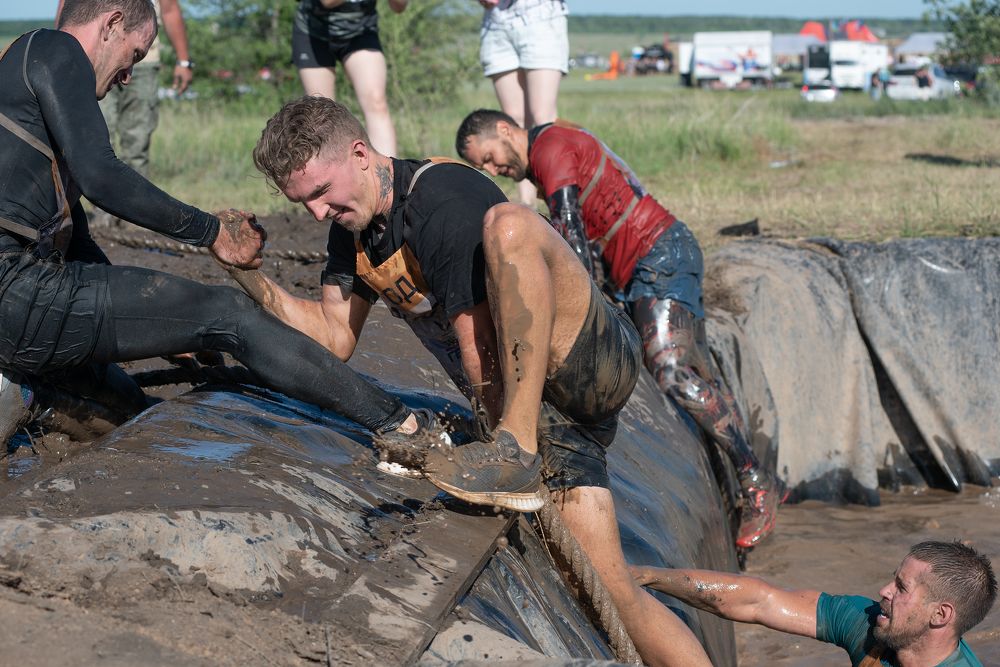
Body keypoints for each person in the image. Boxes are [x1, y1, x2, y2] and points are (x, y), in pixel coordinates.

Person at [234, 94, 714, 667]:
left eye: (320, 193)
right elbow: (334, 337)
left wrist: (496, 446)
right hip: (548, 416)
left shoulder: (441, 201)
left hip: (589, 359)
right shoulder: (353, 231)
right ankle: (517, 444)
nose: (315, 213)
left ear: (360, 154)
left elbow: (478, 346)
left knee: (510, 224)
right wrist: (248, 276)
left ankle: (513, 445)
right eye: (302, 201)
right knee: (614, 595)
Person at [0, 0, 428, 450]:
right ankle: (399, 424)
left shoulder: (27, 79)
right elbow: (103, 178)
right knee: (229, 313)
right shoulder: (55, 48)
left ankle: (23, 393)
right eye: (136, 55)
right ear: (112, 24)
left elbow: (77, 238)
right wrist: (213, 232)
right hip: (17, 290)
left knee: (131, 410)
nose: (128, 76)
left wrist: (155, 324)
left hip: (22, 298)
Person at [454, 109, 784, 549]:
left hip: (659, 258)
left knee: (671, 368)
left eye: (491, 157)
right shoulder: (555, 149)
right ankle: (753, 478)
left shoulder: (551, 150)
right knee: (696, 372)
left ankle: (757, 483)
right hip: (659, 258)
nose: (495, 169)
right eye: (486, 168)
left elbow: (572, 242)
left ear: (504, 130)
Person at [630, 540, 997, 667]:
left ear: (940, 615)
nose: (884, 590)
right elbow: (760, 601)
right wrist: (649, 576)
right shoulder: (874, 624)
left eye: (901, 587)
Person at [477, 0, 568, 205]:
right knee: (511, 124)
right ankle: (527, 204)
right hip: (496, 21)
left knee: (543, 118)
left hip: (540, 14)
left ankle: (558, 199)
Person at [293, 0, 407, 156]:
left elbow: (399, 7)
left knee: (376, 101)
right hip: (313, 32)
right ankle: (331, 176)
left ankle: (388, 176)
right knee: (320, 113)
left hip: (361, 31)